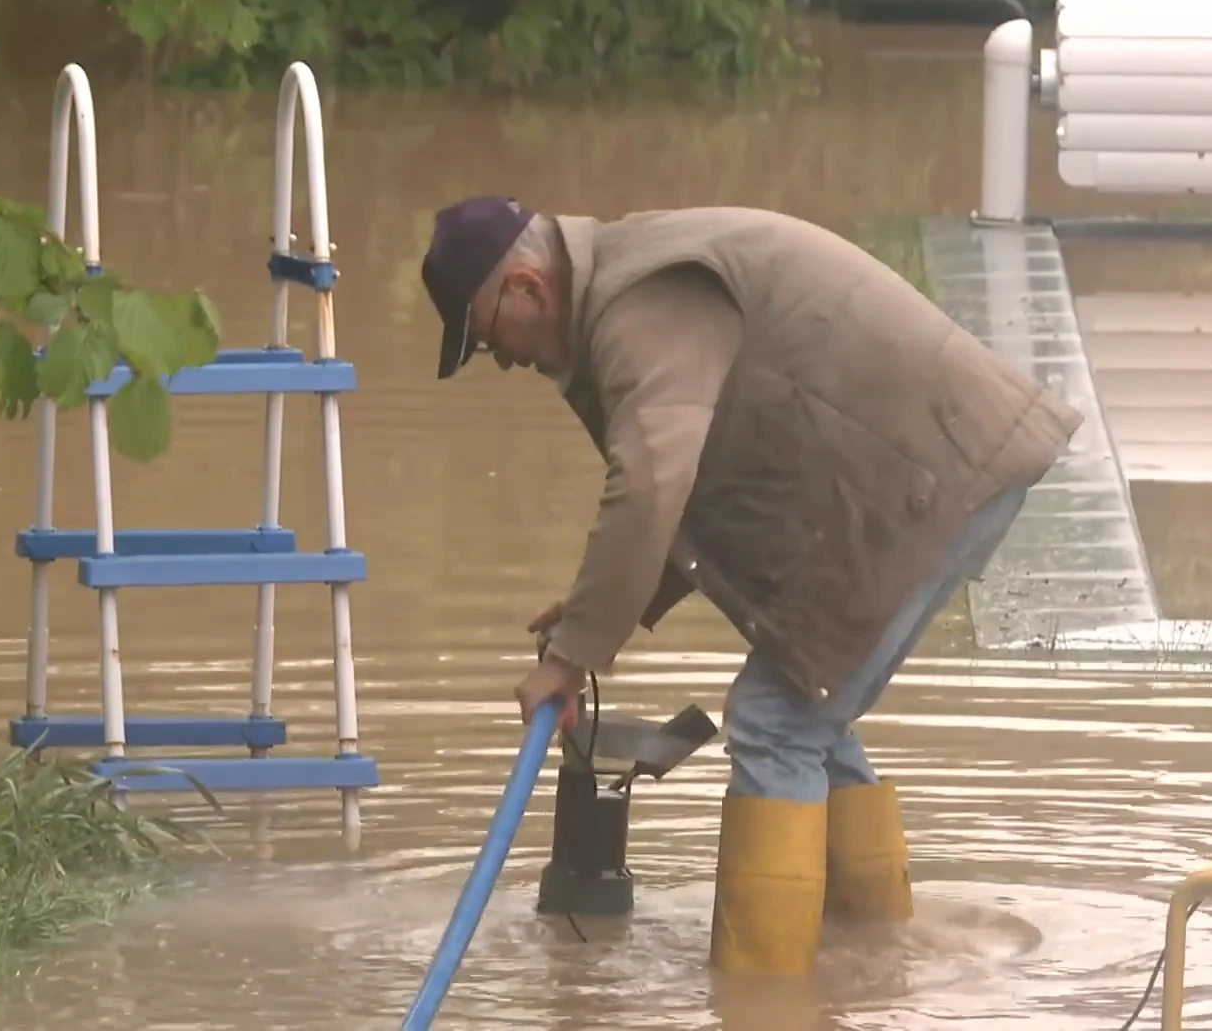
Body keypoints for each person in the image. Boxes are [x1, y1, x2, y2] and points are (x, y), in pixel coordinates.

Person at [417, 196, 1083, 977]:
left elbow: (653, 481)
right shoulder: (635, 285)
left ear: (528, 288)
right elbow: (685, 477)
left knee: (776, 723)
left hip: (926, 477)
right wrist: (604, 617)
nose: (503, 358)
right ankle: (875, 950)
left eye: (490, 337)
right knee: (807, 706)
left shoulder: (639, 305)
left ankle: (766, 989)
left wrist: (569, 660)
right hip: (926, 471)